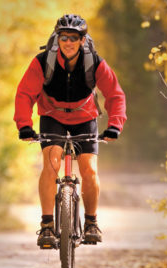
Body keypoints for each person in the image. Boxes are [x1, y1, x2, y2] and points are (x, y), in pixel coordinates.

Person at [14, 14, 126, 247]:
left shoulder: (95, 62)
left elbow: (115, 95)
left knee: (89, 170)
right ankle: (46, 226)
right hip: (52, 116)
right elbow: (25, 94)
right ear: (57, 38)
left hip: (85, 117)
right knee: (51, 164)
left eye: (74, 37)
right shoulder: (43, 61)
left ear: (83, 40)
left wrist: (115, 125)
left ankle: (91, 222)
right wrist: (24, 125)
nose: (68, 42)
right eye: (63, 37)